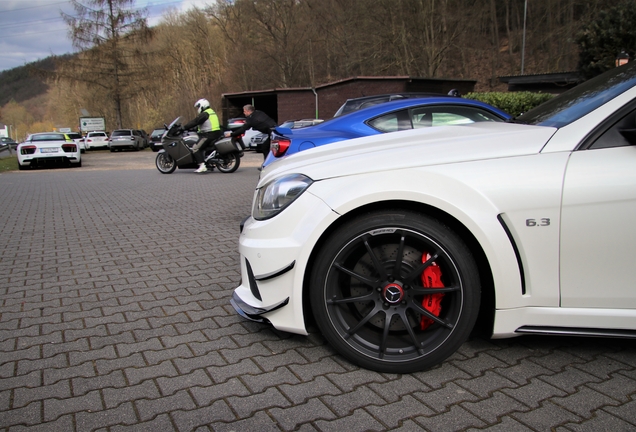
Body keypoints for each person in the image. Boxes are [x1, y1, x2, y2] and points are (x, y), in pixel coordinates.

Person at [182, 98, 223, 173]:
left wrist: (184, 127)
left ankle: (202, 166)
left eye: (198, 106)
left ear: (202, 106)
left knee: (195, 148)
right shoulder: (211, 112)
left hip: (208, 135)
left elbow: (195, 121)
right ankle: (208, 164)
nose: (198, 108)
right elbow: (204, 124)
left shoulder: (204, 114)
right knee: (202, 147)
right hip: (216, 133)